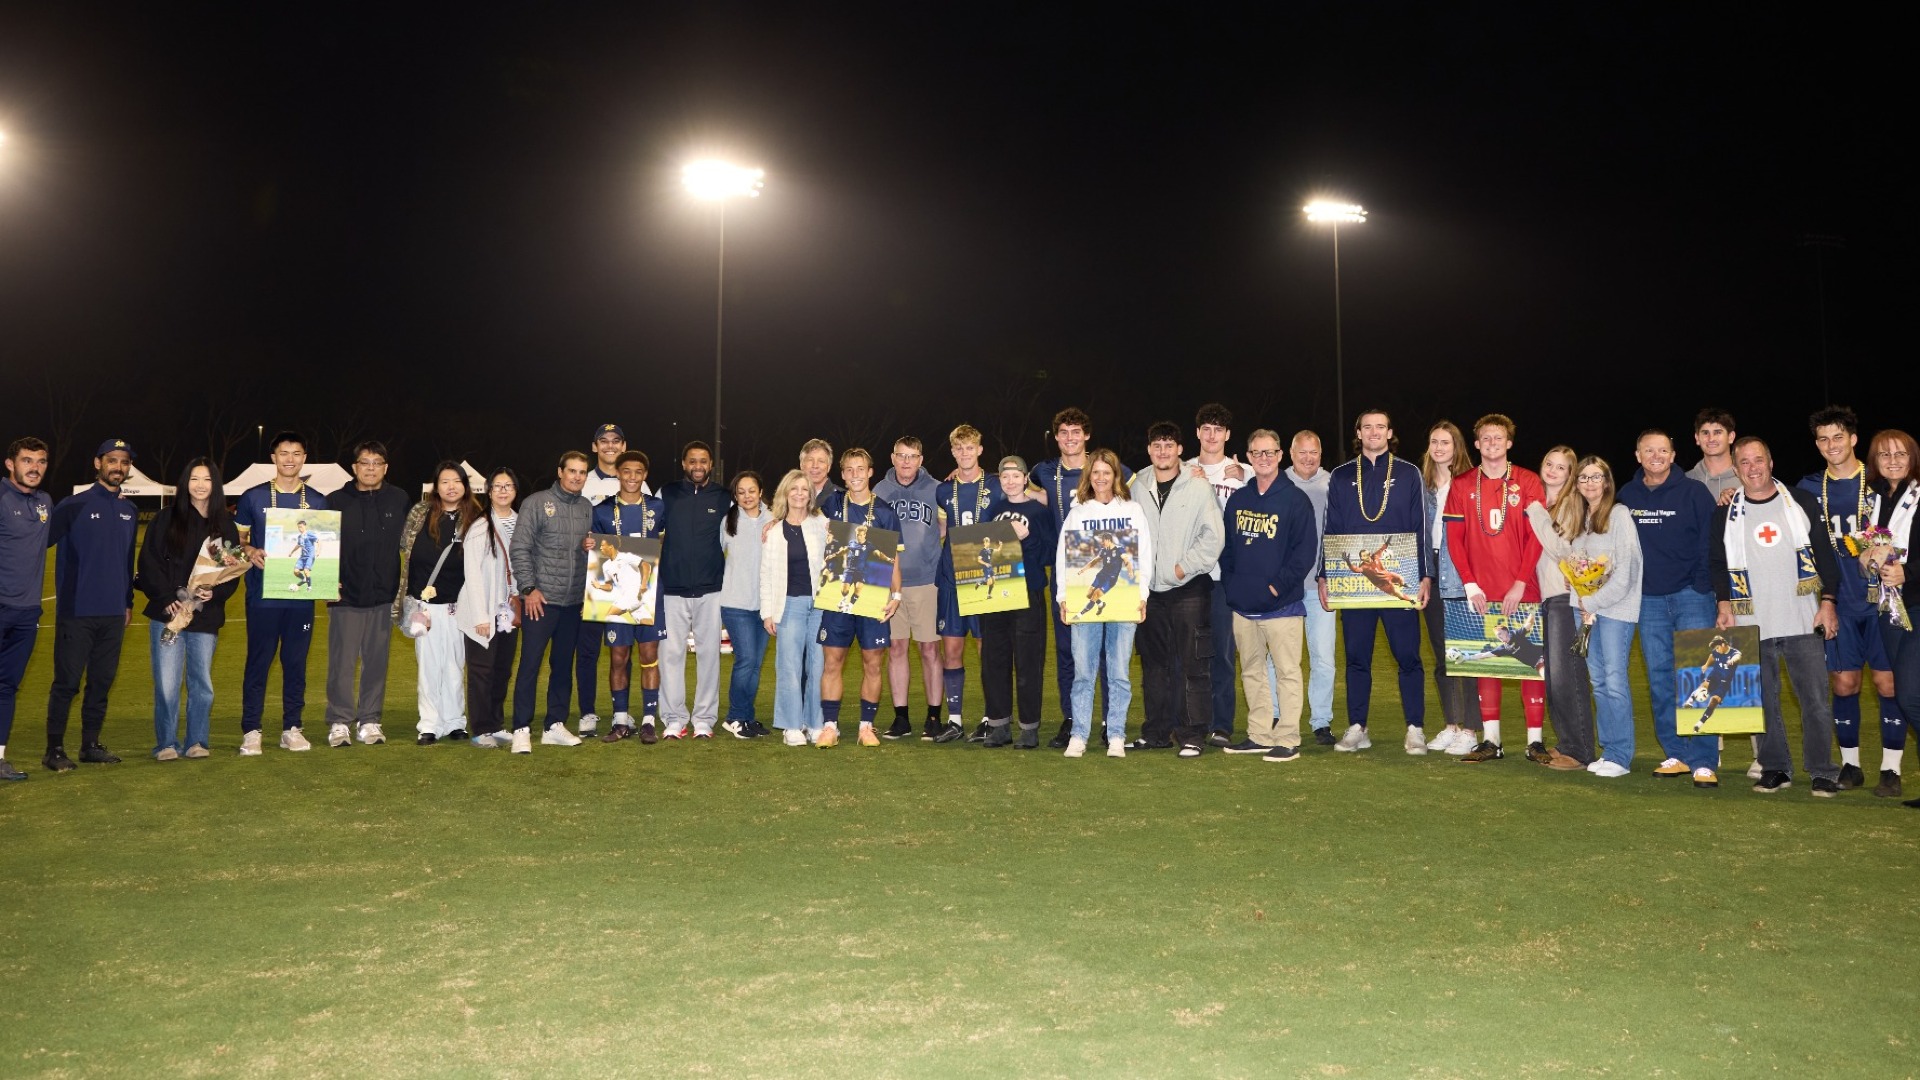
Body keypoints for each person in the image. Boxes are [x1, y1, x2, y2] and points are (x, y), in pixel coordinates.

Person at [1710, 436, 1842, 796]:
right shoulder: (1726, 511)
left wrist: (1827, 602)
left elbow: (1825, 557)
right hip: (1751, 619)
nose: (1753, 468)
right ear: (1736, 469)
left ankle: (1823, 771)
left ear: (1771, 463)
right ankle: (1775, 767)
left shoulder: (1799, 501)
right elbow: (1718, 565)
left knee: (1814, 700)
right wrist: (1724, 604)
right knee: (1763, 700)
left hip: (1801, 617)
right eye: (1745, 463)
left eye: (1759, 460)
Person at [1797, 406, 1904, 791]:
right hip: (1836, 600)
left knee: (1888, 683)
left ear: (1854, 439)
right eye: (1823, 439)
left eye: (1838, 437)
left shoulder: (1880, 481)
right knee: (1844, 684)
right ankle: (1851, 765)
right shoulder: (1808, 487)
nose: (1831, 445)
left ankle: (1891, 769)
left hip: (1883, 599)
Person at [1617, 428, 1724, 788]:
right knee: (1661, 679)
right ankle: (1676, 753)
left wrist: (1699, 584)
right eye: (1649, 450)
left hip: (1691, 596)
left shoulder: (1694, 492)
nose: (1656, 455)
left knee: (1701, 679)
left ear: (1673, 455)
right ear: (1638, 455)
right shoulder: (1626, 496)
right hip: (1647, 601)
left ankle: (1705, 759)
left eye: (1663, 450)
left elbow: (1710, 541)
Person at [1320, 410, 1431, 754]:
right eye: (1367, 427)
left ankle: (1415, 727)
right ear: (1358, 432)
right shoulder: (1340, 475)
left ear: (1390, 432)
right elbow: (1331, 530)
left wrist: (1425, 575)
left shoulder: (1409, 473)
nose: (1373, 432)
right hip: (1355, 587)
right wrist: (1324, 575)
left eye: (1379, 426)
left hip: (1401, 580)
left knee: (1408, 656)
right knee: (1356, 657)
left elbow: (1420, 526)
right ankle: (1358, 726)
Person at [1443, 414, 1548, 762]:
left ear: (1509, 443)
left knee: (1532, 663)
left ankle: (1535, 741)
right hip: (1481, 591)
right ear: (1476, 444)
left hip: (1523, 587)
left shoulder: (1529, 481)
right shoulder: (1461, 485)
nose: (1492, 444)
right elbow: (1454, 540)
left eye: (1498, 438)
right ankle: (1491, 741)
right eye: (1485, 438)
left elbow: (1536, 538)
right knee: (1489, 664)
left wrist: (1520, 582)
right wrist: (1470, 584)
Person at [1034, 408, 1134, 748]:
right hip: (1065, 575)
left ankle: (1109, 722)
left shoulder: (1106, 469)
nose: (1070, 438)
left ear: (1087, 435)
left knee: (1109, 654)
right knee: (1068, 651)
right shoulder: (1045, 472)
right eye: (1063, 432)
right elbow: (1016, 484)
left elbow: (1144, 483)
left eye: (1076, 431)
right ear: (1056, 437)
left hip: (1114, 576)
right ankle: (1072, 720)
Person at [1217, 430, 1317, 762]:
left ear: (1279, 456)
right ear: (1248, 456)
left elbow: (1304, 554)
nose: (1263, 458)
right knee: (1252, 671)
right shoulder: (1239, 499)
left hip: (1282, 605)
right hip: (1243, 605)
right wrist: (1233, 585)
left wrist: (1276, 586)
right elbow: (1227, 548)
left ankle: (1288, 737)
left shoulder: (1295, 500)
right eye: (1256, 453)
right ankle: (1259, 733)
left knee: (1288, 671)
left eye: (1269, 453)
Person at [40, 438, 139, 771]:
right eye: (112, 460)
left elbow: (127, 562)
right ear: (98, 463)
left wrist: (127, 603)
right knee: (67, 682)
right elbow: (37, 543)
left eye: (124, 463)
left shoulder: (130, 510)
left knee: (101, 681)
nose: (118, 467)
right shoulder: (73, 505)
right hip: (77, 611)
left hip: (113, 614)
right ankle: (54, 749)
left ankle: (89, 745)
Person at [137, 458, 241, 761]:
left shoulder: (224, 525)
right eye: (194, 479)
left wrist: (215, 591)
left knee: (202, 684)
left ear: (215, 485)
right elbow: (149, 562)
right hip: (169, 615)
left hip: (205, 618)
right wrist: (165, 596)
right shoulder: (166, 518)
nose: (200, 485)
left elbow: (230, 572)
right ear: (185, 483)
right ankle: (166, 743)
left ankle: (197, 741)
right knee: (167, 685)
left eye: (207, 479)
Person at [234, 430, 330, 755]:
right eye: (284, 453)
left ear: (305, 458)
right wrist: (248, 551)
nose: (290, 459)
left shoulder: (317, 501)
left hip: (301, 599)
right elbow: (237, 542)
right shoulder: (253, 497)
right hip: (263, 595)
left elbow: (325, 550)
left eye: (297, 453)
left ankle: (292, 726)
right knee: (259, 661)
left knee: (295, 662)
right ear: (273, 457)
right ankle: (251, 728)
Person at [1132, 422, 1223, 757]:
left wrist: (1182, 567)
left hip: (1188, 589)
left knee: (1191, 663)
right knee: (1154, 665)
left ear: (1180, 450)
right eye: (1157, 445)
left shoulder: (1197, 485)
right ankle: (1156, 731)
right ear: (1149, 450)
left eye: (1169, 445)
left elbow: (1213, 537)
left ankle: (1191, 735)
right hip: (1150, 593)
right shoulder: (1138, 484)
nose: (1163, 452)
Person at [1055, 449, 1152, 758]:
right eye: (1095, 472)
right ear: (1088, 476)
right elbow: (1063, 556)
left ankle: (1116, 735)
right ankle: (1079, 734)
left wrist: (1143, 594)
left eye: (1106, 472)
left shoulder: (1133, 510)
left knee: (1119, 671)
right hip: (1086, 588)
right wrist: (1062, 596)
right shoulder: (1078, 512)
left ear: (1115, 476)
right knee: (1083, 671)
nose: (1100, 478)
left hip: (1124, 598)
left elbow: (1144, 552)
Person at [1559, 457, 1643, 776]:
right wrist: (1574, 585)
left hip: (1615, 610)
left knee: (1615, 680)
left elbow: (1627, 571)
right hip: (1586, 611)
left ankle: (1620, 754)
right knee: (1598, 682)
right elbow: (1578, 565)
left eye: (1597, 477)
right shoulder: (1580, 520)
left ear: (1607, 482)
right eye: (1583, 478)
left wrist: (1594, 600)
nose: (1590, 483)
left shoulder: (1619, 515)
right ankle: (1608, 750)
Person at [326, 439, 411, 748]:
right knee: (342, 663)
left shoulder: (399, 499)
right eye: (365, 463)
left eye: (377, 463)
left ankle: (370, 720)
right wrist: (326, 581)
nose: (371, 468)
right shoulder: (335, 500)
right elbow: (322, 545)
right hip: (345, 595)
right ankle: (339, 721)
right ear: (355, 467)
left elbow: (411, 545)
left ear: (385, 468)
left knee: (376, 662)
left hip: (383, 596)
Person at [818, 449, 904, 746]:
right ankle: (830, 726)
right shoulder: (830, 504)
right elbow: (798, 517)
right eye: (849, 470)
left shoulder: (885, 512)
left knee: (872, 663)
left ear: (871, 472)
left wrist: (896, 594)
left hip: (873, 597)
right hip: (836, 597)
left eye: (860, 469)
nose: (855, 474)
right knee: (832, 661)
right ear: (842, 474)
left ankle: (866, 726)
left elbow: (892, 558)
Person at [509, 451, 593, 748]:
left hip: (572, 603)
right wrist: (529, 588)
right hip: (540, 601)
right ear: (560, 472)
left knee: (562, 665)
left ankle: (554, 725)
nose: (576, 476)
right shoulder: (536, 502)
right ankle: (521, 728)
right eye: (571, 471)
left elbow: (585, 551)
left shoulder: (586, 507)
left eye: (582, 472)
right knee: (530, 664)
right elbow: (519, 549)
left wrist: (589, 547)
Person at [587, 451, 668, 744]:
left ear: (644, 475)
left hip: (649, 596)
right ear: (618, 474)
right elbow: (595, 553)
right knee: (618, 657)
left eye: (638, 472)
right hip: (618, 597)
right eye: (626, 472)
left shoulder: (658, 507)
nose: (632, 477)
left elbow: (666, 543)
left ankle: (648, 721)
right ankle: (620, 720)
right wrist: (589, 545)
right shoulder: (603, 511)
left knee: (649, 657)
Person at [1524, 445, 1596, 769]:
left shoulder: (1569, 504)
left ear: (1570, 475)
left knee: (1568, 675)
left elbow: (1562, 551)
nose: (1552, 470)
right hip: (1549, 597)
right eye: (1548, 463)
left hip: (1565, 600)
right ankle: (1567, 741)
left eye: (1561, 467)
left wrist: (1537, 513)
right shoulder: (1549, 503)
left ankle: (1580, 751)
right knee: (1554, 676)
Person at [978, 456, 1056, 749]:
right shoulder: (995, 510)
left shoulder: (1038, 511)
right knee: (994, 661)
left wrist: (1029, 536)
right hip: (997, 594)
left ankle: (1029, 727)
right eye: (1004, 476)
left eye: (1015, 476)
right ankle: (999, 725)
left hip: (1028, 593)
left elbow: (1050, 553)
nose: (1010, 481)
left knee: (1028, 661)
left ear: (1025, 479)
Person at [874, 437, 949, 740]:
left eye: (912, 456)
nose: (906, 462)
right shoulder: (879, 491)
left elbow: (948, 524)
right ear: (892, 458)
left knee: (930, 648)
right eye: (901, 456)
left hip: (926, 580)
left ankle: (933, 716)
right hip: (889, 583)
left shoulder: (936, 489)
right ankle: (901, 717)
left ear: (921, 458)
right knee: (896, 648)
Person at [657, 441, 732, 739]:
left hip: (711, 589)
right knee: (670, 656)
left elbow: (746, 526)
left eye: (703, 461)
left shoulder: (725, 497)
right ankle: (674, 719)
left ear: (711, 465)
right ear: (684, 464)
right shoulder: (667, 493)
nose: (698, 466)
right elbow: (648, 529)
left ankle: (704, 719)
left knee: (709, 655)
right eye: (692, 461)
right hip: (671, 589)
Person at [1186, 403, 1249, 747]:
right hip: (1190, 575)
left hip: (1225, 575)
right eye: (1206, 429)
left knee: (1223, 653)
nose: (1211, 436)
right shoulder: (1181, 470)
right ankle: (1192, 722)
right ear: (1197, 433)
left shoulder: (1245, 473)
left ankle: (1221, 724)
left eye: (1218, 430)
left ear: (1227, 435)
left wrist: (1242, 482)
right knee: (1190, 653)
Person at [405, 463, 479, 744]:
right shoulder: (420, 513)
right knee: (429, 666)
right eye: (445, 481)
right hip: (425, 607)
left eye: (457, 481)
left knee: (455, 665)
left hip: (460, 605)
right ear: (436, 486)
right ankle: (429, 724)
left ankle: (455, 722)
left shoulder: (475, 517)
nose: (451, 486)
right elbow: (405, 551)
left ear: (465, 485)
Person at [1862, 429, 1917, 802]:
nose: (1893, 460)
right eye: (1884, 455)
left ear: (1913, 457)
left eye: (1900, 454)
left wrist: (1909, 574)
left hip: (1916, 604)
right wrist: (1868, 559)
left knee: (1911, 695)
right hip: (1888, 607)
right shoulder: (1877, 500)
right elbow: (1870, 546)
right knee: (1907, 695)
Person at [1420, 421, 1479, 756]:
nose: (1439, 448)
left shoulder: (1471, 484)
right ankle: (1451, 725)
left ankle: (1470, 729)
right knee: (1442, 655)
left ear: (1457, 447)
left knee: (1466, 654)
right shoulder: (1423, 484)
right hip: (1432, 571)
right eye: (1434, 442)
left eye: (1445, 442)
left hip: (1460, 573)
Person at [760, 470, 830, 744]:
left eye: (805, 490)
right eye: (795, 489)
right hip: (788, 605)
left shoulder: (821, 524)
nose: (800, 494)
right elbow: (765, 574)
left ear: (810, 495)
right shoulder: (774, 531)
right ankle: (791, 725)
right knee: (789, 666)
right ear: (785, 493)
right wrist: (767, 612)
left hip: (820, 605)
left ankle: (814, 722)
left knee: (817, 665)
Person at [936, 425, 995, 742]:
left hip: (985, 576)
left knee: (988, 649)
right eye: (959, 449)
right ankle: (955, 720)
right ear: (953, 451)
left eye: (970, 448)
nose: (964, 453)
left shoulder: (997, 485)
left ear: (980, 449)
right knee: (952, 648)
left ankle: (990, 717)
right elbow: (942, 529)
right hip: (951, 577)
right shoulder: (943, 491)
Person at [0, 437, 52, 782]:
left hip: (27, 612)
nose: (34, 467)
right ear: (10, 464)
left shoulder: (45, 502)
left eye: (41, 461)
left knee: (6, 686)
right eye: (27, 460)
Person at [459, 468, 521, 750]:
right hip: (483, 609)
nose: (503, 491)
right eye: (498, 486)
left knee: (502, 669)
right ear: (489, 491)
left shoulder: (520, 523)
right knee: (481, 670)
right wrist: (480, 617)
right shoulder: (480, 525)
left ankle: (495, 723)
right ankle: (481, 727)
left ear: (515, 491)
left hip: (508, 610)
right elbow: (471, 572)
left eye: (508, 486)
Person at [1286, 429, 1336, 744]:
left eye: (1314, 452)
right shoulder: (1277, 483)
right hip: (1286, 587)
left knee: (1323, 657)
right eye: (1302, 452)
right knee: (1281, 657)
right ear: (1291, 454)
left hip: (1321, 587)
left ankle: (1321, 721)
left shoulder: (1334, 484)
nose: (1308, 458)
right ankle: (1280, 715)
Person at [718, 470, 772, 740]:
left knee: (755, 664)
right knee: (746, 660)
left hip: (764, 606)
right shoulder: (727, 521)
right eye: (741, 492)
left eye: (751, 490)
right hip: (735, 602)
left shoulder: (775, 520)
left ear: (761, 491)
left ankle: (746, 717)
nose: (747, 496)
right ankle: (735, 717)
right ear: (735, 496)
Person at [1688, 407, 1741, 504]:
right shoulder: (1685, 481)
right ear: (1697, 438)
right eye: (1705, 433)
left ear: (1731, 437)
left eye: (1718, 432)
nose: (1711, 438)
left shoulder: (1747, 479)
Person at [800, 438, 840, 510]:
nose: (815, 465)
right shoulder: (789, 497)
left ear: (829, 467)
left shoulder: (842, 499)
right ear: (802, 465)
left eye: (821, 461)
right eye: (810, 460)